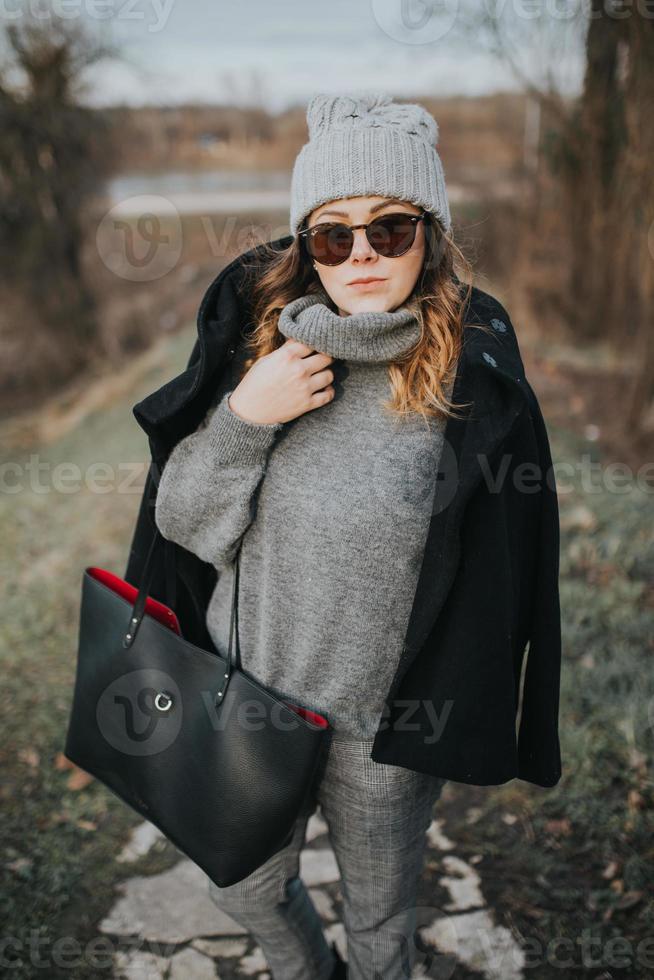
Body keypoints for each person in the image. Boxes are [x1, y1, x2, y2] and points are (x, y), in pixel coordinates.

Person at [152, 91, 554, 980]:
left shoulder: (469, 381)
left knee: (383, 920)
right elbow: (182, 522)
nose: (362, 254)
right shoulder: (265, 359)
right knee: (244, 888)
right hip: (251, 701)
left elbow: (504, 566)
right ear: (307, 248)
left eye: (391, 229)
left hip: (385, 733)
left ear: (431, 235)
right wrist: (244, 421)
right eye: (333, 234)